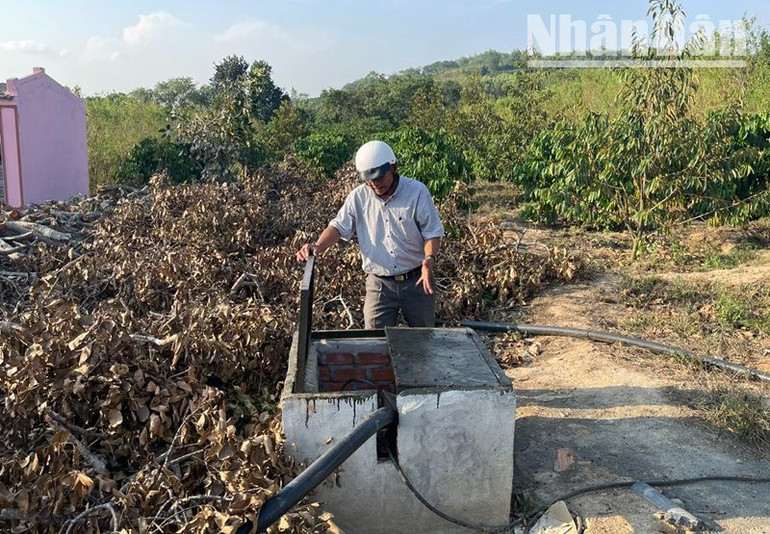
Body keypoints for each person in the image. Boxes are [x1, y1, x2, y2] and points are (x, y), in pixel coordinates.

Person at [296, 140, 444, 328]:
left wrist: (429, 258)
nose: (375, 183)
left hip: (417, 280)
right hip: (379, 285)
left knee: (423, 339)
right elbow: (338, 226)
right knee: (373, 342)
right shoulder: (358, 197)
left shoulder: (417, 192)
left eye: (379, 177)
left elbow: (432, 233)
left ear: (393, 168)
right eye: (369, 179)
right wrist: (318, 246)